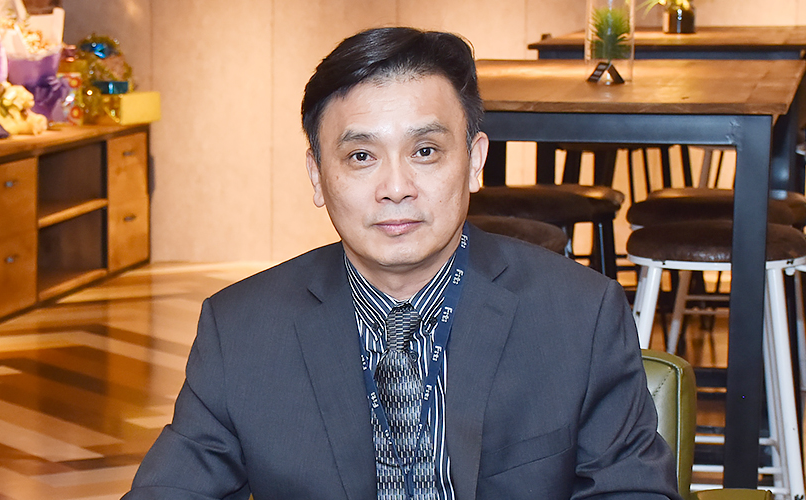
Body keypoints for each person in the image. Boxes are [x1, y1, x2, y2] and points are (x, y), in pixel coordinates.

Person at [124, 27, 678, 500]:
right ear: (317, 176)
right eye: (361, 156)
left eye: (425, 151)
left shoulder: (578, 315)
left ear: (475, 161)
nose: (395, 188)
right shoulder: (242, 330)